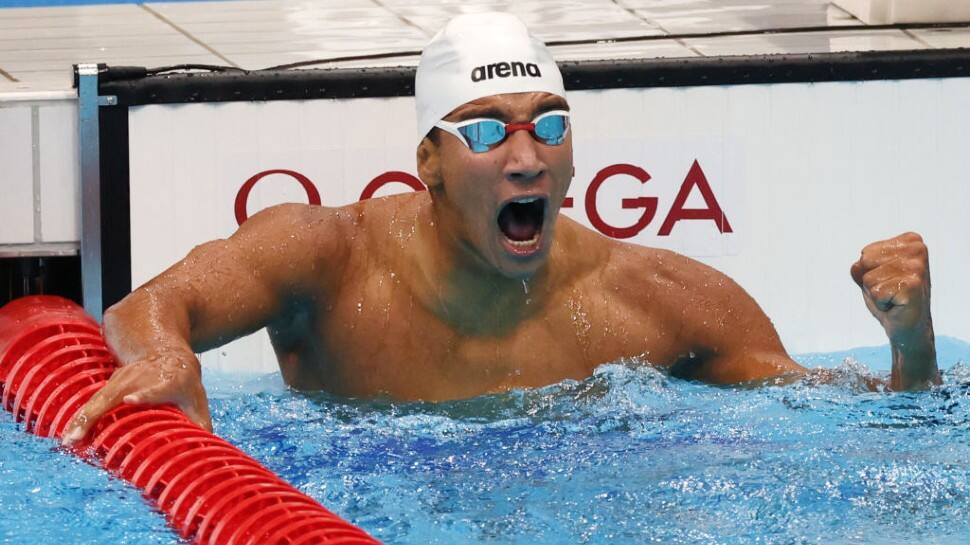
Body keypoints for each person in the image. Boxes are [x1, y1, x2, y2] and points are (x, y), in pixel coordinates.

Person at [62, 13, 938, 445]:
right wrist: (164, 355)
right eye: (485, 130)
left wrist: (913, 347)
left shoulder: (653, 300)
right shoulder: (323, 255)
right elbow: (152, 305)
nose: (525, 156)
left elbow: (870, 423)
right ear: (430, 163)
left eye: (547, 124)